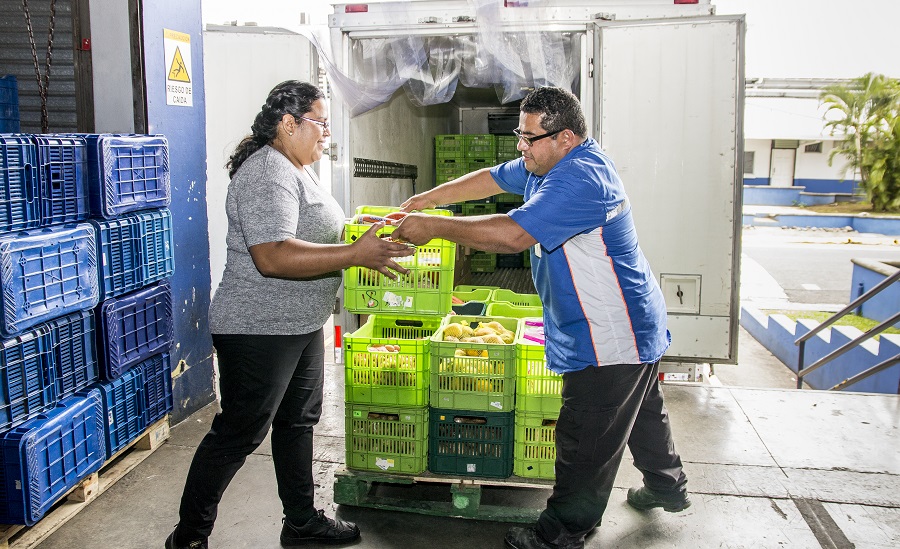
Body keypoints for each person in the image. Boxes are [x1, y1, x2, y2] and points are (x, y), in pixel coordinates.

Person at [393, 86, 689, 549]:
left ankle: (561, 532)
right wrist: (428, 199)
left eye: (529, 137)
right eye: (520, 134)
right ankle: (668, 487)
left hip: (612, 332)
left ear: (565, 137)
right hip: (631, 320)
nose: (520, 146)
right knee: (641, 409)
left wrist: (432, 227)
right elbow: (492, 177)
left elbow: (513, 235)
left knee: (587, 436)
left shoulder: (582, 180)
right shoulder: (545, 162)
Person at [165, 80, 414, 549]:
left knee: (298, 421)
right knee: (239, 433)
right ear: (288, 123)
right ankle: (189, 537)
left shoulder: (296, 168)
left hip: (299, 324)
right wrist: (354, 253)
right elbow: (273, 255)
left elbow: (309, 232)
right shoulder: (267, 173)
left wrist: (358, 232)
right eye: (320, 124)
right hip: (258, 329)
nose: (326, 135)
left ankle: (301, 520)